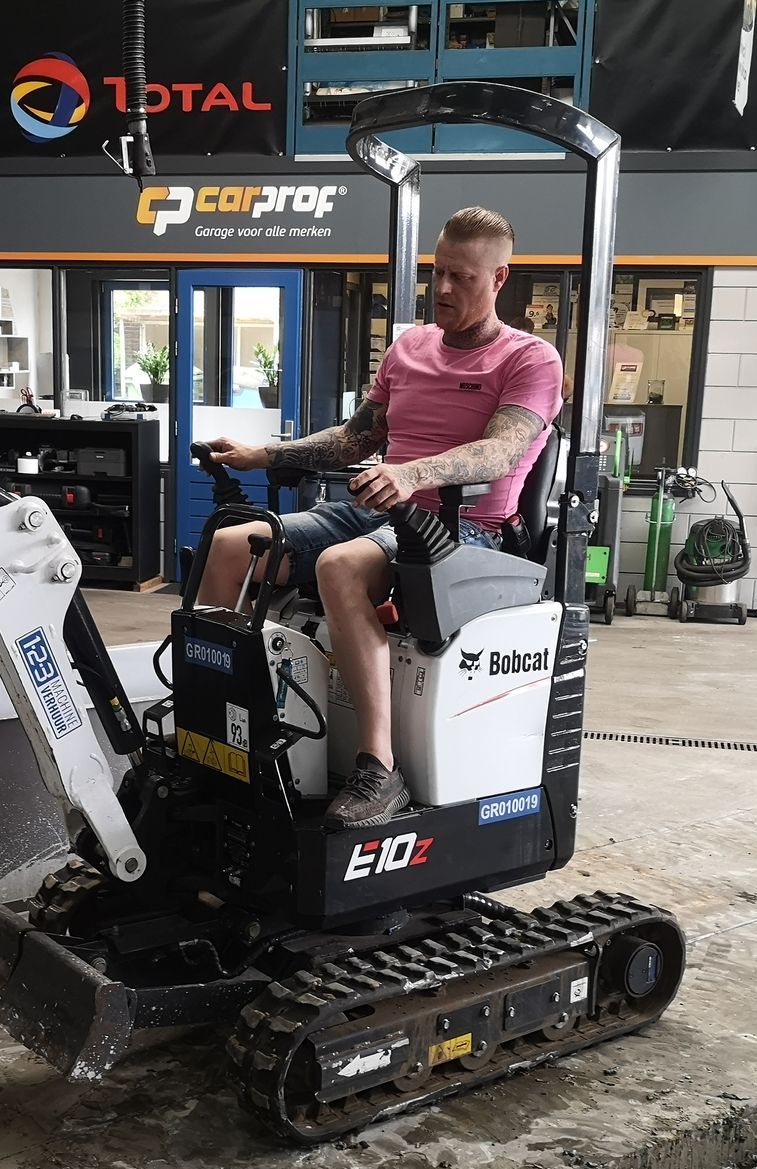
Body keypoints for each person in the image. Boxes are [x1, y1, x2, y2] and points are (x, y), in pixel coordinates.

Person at [199, 206, 562, 829]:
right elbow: (354, 440)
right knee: (234, 545)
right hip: (377, 515)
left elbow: (502, 451)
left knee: (341, 567)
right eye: (438, 272)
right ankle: (214, 723)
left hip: (466, 533)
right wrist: (265, 453)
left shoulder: (530, 360)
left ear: (499, 279)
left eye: (463, 278)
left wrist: (412, 474)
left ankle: (379, 767)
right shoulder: (409, 347)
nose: (443, 289)